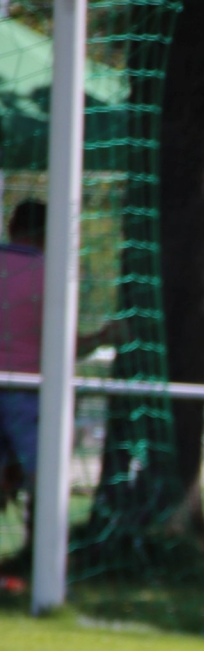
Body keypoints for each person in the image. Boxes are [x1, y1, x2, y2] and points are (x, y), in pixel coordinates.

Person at [0, 201, 121, 570]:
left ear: (11, 227)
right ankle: (41, 560)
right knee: (44, 476)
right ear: (49, 233)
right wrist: (104, 336)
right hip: (30, 393)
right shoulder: (51, 274)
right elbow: (65, 346)